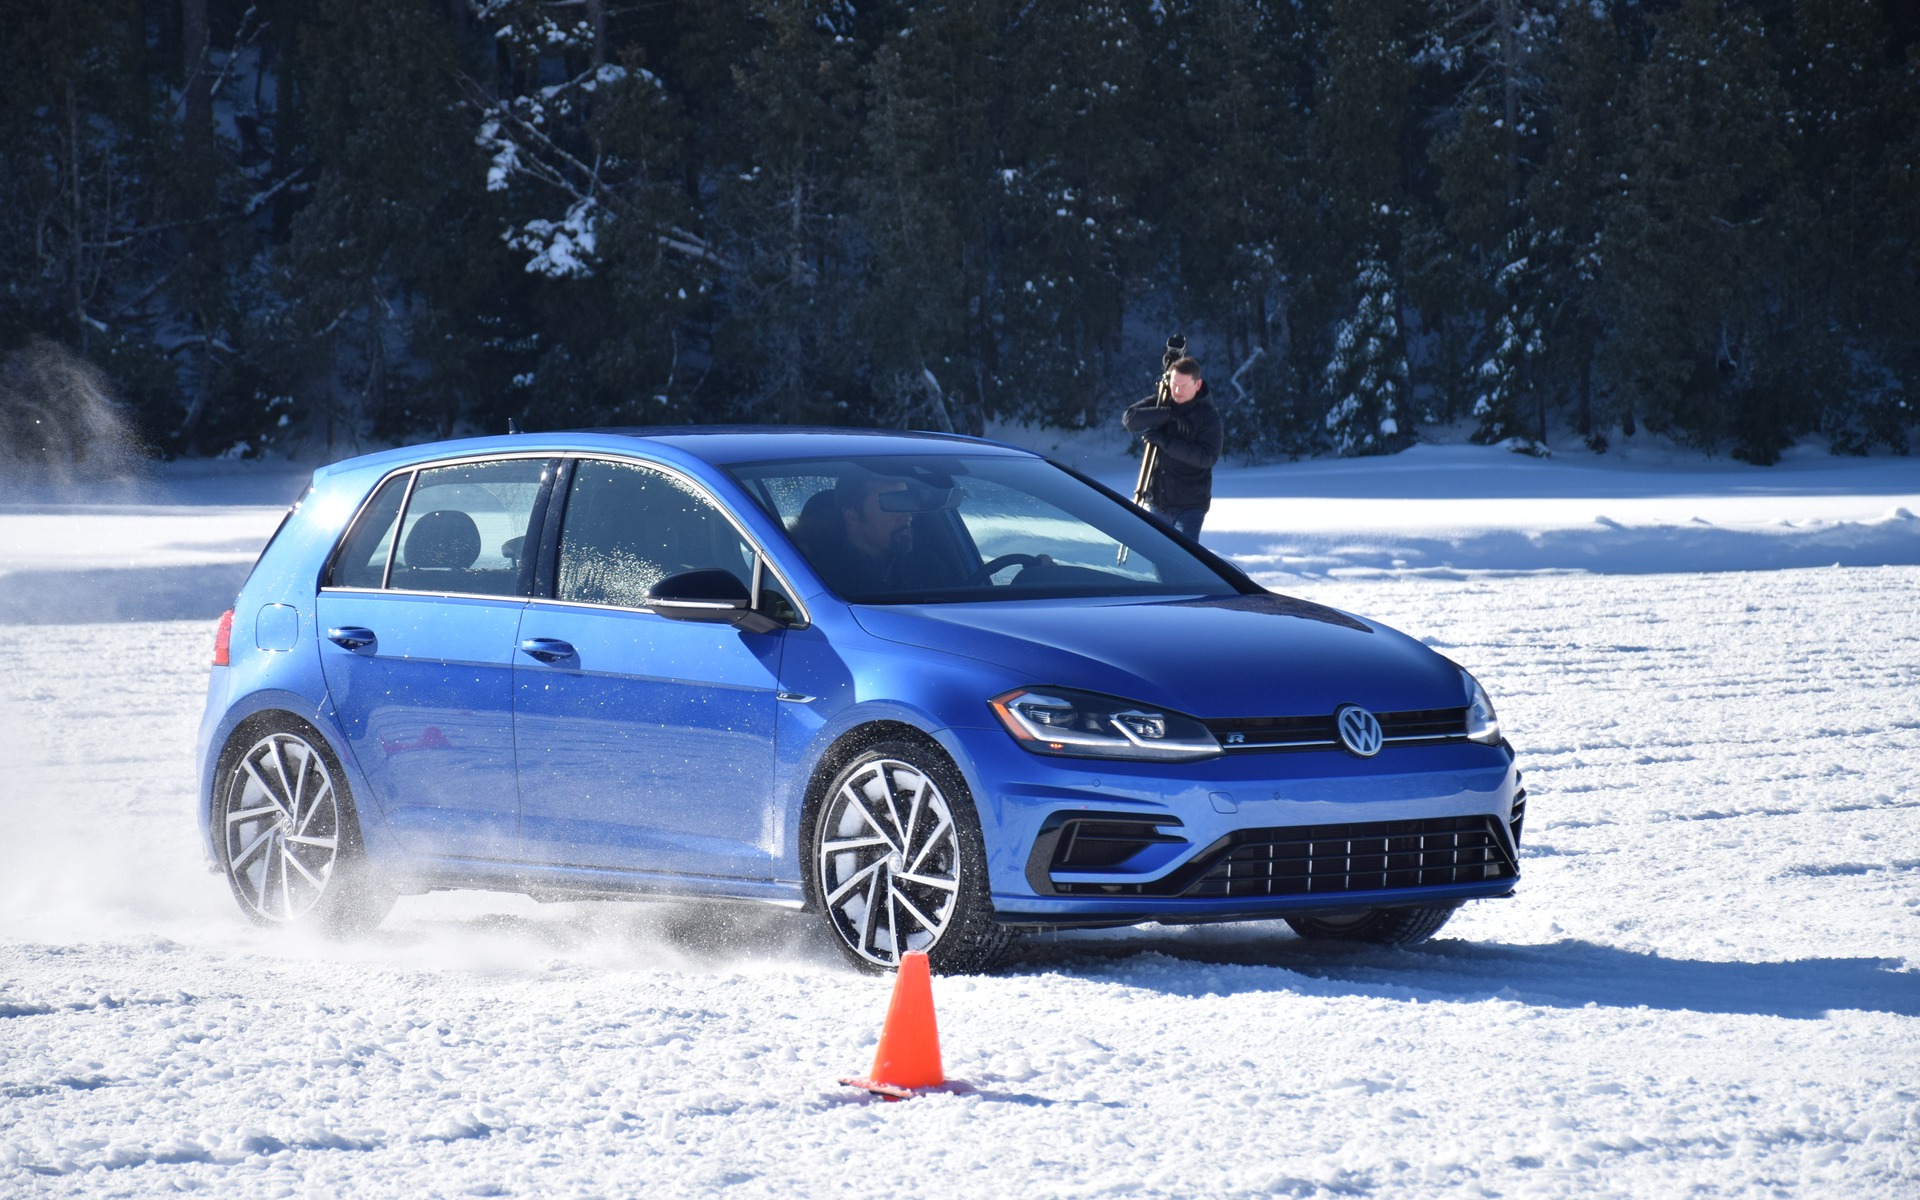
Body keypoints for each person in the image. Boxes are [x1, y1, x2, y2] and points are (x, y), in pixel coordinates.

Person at [1121, 355, 1223, 540]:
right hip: (1158, 502)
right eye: (1174, 384)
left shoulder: (1208, 416)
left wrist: (1167, 443)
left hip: (1190, 506)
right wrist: (1166, 414)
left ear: (1197, 385)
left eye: (1184, 386)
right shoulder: (1163, 401)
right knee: (1158, 559)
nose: (1177, 390)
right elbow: (1130, 419)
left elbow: (1206, 457)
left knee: (1185, 561)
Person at [793, 476, 916, 596]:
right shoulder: (815, 580)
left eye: (906, 502)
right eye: (891, 504)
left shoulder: (927, 564)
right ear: (851, 515)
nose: (907, 516)